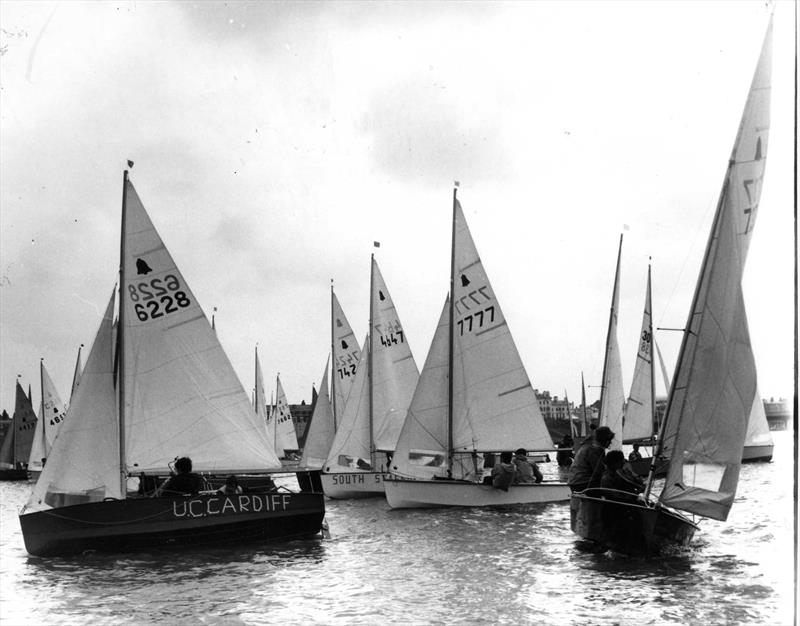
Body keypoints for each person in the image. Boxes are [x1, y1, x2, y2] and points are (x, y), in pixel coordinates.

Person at [567, 426, 614, 492]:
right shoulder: (595, 450)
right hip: (583, 483)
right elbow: (599, 471)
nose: (610, 443)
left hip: (573, 481)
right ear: (605, 439)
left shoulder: (587, 445)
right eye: (610, 440)